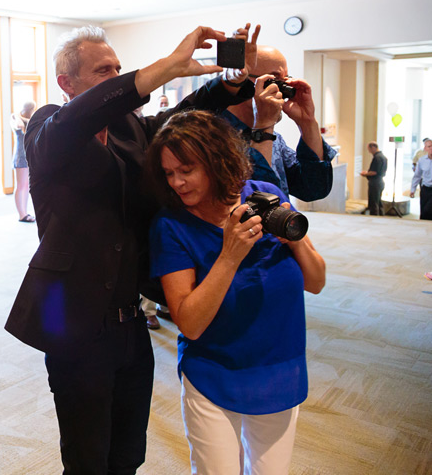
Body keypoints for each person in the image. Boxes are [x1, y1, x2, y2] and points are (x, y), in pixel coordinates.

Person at [5, 23, 258, 474]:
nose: (117, 77)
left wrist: (227, 83)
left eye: (119, 69)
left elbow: (182, 114)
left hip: (131, 324)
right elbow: (75, 121)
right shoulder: (48, 125)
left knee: (127, 456)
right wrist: (162, 69)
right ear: (68, 83)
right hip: (75, 324)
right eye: (105, 71)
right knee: (87, 459)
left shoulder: (131, 130)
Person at [146, 110, 325, 475]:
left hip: (279, 366)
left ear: (216, 161)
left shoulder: (266, 196)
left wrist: (296, 238)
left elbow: (316, 281)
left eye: (186, 169)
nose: (177, 183)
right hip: (213, 373)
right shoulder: (172, 226)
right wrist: (229, 255)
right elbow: (190, 324)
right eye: (169, 173)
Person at [222, 45, 337, 202]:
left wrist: (307, 122)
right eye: (276, 81)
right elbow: (255, 199)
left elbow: (312, 189)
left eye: (287, 79)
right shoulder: (210, 136)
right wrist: (264, 126)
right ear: (240, 81)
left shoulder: (274, 140)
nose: (286, 90)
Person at [11, 101, 36, 223]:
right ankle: (21, 214)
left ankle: (25, 212)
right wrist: (18, 116)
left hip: (28, 155)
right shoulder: (15, 118)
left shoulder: (30, 119)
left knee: (26, 186)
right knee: (20, 185)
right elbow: (20, 126)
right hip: (20, 155)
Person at [361, 141, 387, 215]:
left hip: (375, 182)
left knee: (373, 204)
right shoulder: (383, 157)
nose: (369, 151)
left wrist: (365, 173)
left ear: (373, 147)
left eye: (369, 149)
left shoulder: (377, 158)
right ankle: (382, 217)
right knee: (379, 202)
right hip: (380, 182)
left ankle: (374, 219)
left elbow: (374, 172)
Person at [410, 137, 432, 220]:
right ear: (425, 148)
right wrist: (413, 189)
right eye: (429, 146)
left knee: (429, 210)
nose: (431, 148)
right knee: (424, 211)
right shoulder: (422, 160)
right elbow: (417, 176)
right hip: (425, 189)